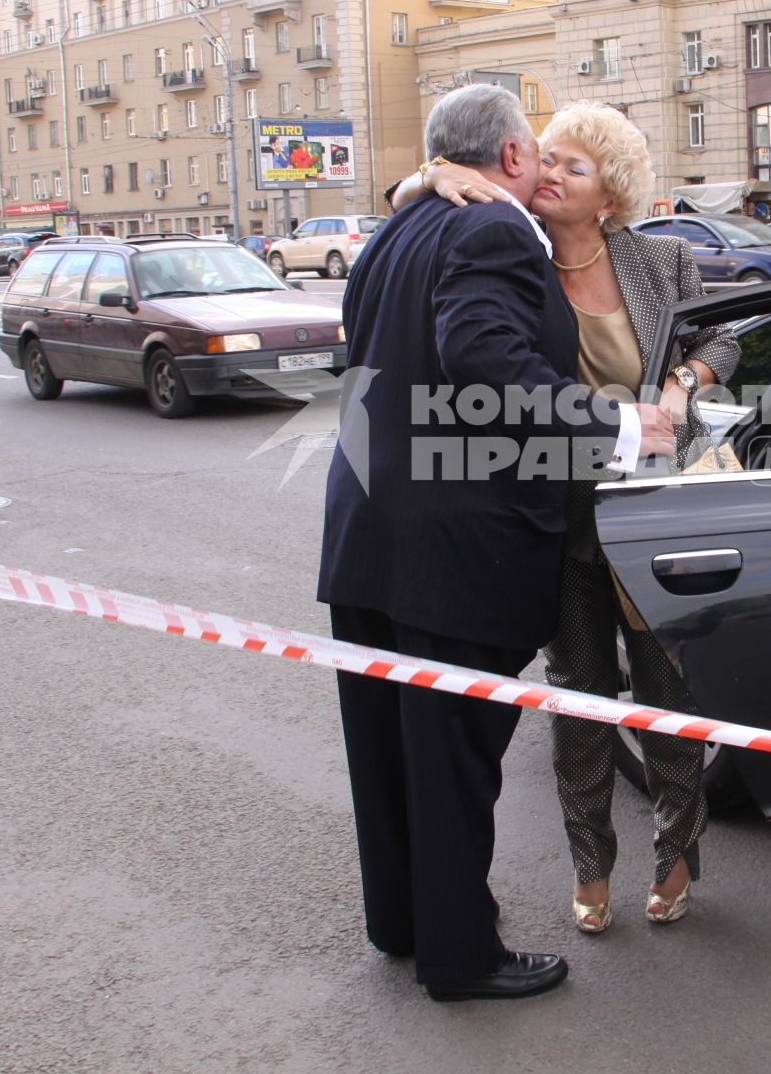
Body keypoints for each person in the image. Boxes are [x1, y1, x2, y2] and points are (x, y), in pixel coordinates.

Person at [318, 84, 677, 1002]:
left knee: (392, 751)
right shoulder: (495, 230)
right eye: (538, 150)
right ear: (511, 158)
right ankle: (459, 955)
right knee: (452, 762)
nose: (546, 167)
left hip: (368, 532)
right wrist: (623, 430)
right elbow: (487, 361)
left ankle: (404, 926)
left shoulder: (399, 226)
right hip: (452, 548)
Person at [400, 102, 740, 935]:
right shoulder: (511, 248)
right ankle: (591, 864)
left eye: (573, 167)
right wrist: (426, 172)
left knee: (667, 699)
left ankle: (679, 851)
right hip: (557, 518)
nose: (548, 173)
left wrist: (682, 383)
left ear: (610, 197)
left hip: (656, 514)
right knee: (580, 701)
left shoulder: (661, 260)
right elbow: (424, 208)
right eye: (545, 157)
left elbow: (725, 340)